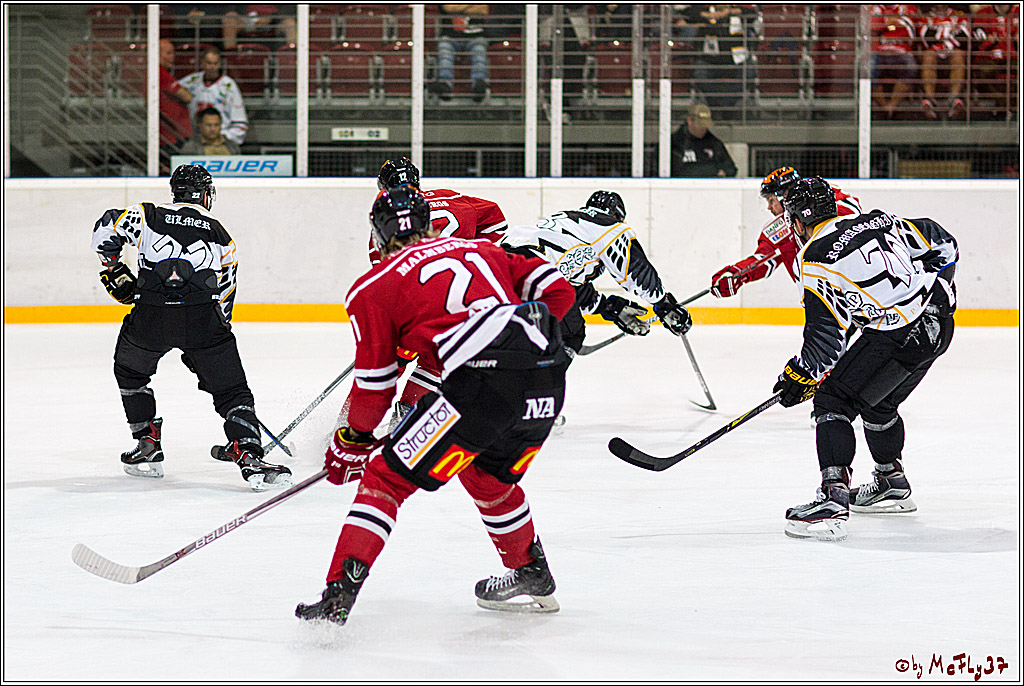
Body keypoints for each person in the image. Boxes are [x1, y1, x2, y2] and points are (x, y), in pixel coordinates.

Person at [295, 185, 577, 624]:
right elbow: (558, 291)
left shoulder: (372, 285)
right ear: (427, 223)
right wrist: (511, 341)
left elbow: (375, 386)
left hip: (482, 388)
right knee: (488, 477)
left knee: (385, 479)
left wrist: (350, 443)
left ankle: (338, 593)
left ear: (377, 234)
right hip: (546, 379)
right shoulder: (485, 250)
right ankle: (530, 571)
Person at [773, 177, 958, 542]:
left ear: (796, 222)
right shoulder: (878, 219)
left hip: (899, 337)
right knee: (878, 401)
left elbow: (825, 342)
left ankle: (832, 499)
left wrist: (800, 376)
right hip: (938, 325)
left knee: (832, 400)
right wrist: (943, 288)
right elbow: (944, 241)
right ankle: (891, 481)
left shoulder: (814, 258)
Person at [90, 164, 292, 492]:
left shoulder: (148, 214)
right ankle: (249, 452)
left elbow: (104, 230)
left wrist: (114, 268)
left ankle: (147, 446)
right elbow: (225, 293)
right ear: (206, 194)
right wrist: (205, 348)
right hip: (202, 319)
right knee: (231, 390)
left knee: (129, 371)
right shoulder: (221, 233)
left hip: (150, 317)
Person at [345, 157, 509, 431]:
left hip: (418, 311)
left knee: (383, 368)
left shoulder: (385, 221)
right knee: (433, 364)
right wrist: (467, 254)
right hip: (459, 306)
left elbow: (386, 279)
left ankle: (348, 427)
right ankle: (406, 422)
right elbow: (496, 223)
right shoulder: (453, 197)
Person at [500, 190, 693, 361]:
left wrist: (608, 307)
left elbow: (569, 286)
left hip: (498, 264)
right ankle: (537, 391)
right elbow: (635, 268)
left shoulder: (570, 224)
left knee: (505, 330)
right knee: (571, 334)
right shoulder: (609, 225)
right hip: (537, 272)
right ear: (618, 215)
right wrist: (662, 303)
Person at [709, 167, 862, 300]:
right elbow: (762, 260)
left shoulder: (824, 196)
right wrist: (736, 274)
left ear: (784, 196)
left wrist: (808, 218)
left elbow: (854, 213)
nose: (769, 207)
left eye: (771, 200)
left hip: (854, 281)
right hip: (819, 295)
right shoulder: (778, 228)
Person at [179, 47, 249, 146]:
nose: (211, 67)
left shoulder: (229, 86)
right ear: (202, 63)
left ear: (220, 64)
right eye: (208, 63)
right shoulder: (191, 81)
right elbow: (171, 90)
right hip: (196, 140)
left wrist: (223, 138)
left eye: (215, 63)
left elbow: (240, 122)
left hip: (221, 141)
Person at [917, 4, 970, 120]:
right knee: (928, 55)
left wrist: (941, 35)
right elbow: (925, 38)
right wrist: (949, 34)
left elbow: (965, 38)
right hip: (934, 52)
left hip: (953, 52)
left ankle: (954, 99)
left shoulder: (958, 15)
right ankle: (929, 100)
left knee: (958, 54)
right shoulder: (926, 17)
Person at [432, 4, 491, 102]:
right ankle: (445, 85)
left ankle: (479, 85)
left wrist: (458, 7)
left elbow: (483, 9)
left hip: (475, 36)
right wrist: (471, 7)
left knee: (479, 50)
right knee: (444, 48)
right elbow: (448, 7)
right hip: (450, 36)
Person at [869, 5, 919, 119]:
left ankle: (891, 107)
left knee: (911, 68)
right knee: (867, 69)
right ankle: (884, 108)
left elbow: (909, 26)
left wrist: (884, 23)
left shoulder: (907, 6)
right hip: (879, 51)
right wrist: (892, 22)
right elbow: (870, 27)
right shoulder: (873, 6)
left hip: (901, 50)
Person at [971, 4, 1019, 120]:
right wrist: (990, 41)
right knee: (985, 70)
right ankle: (1005, 107)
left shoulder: (1018, 11)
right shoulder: (982, 13)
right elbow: (980, 39)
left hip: (1014, 56)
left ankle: (1011, 107)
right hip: (990, 57)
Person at [670, 104, 738, 178]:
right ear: (689, 121)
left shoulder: (714, 143)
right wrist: (713, 171)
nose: (703, 129)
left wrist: (724, 172)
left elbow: (731, 168)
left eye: (705, 126)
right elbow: (677, 170)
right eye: (700, 125)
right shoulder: (675, 142)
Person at [159, 39, 193, 174]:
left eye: (173, 53)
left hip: (172, 134)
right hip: (170, 135)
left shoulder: (162, 73)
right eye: (168, 53)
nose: (172, 57)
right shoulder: (161, 74)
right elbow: (187, 96)